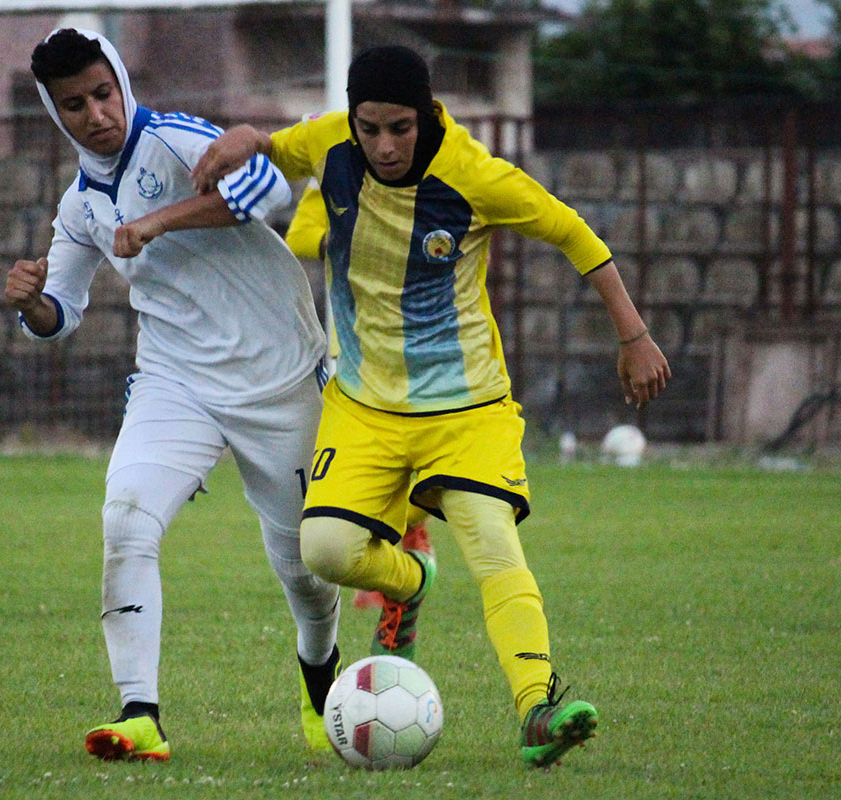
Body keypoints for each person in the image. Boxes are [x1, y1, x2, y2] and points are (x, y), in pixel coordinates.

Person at [127, 44, 672, 769]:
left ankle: (537, 706)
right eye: (369, 128)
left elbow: (574, 235)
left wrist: (632, 334)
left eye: (400, 128)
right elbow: (281, 149)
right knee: (323, 551)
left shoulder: (476, 176)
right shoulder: (332, 142)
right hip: (362, 407)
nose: (383, 144)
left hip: (465, 409)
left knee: (492, 542)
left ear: (428, 115)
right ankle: (411, 583)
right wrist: (245, 139)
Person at [4, 28, 342, 762]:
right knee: (125, 518)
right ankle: (140, 715)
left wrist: (157, 221)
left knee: (304, 569)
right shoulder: (77, 205)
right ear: (54, 114)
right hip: (174, 380)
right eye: (74, 104)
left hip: (278, 377)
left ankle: (322, 687)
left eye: (103, 92)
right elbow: (59, 315)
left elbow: (270, 191)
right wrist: (30, 302)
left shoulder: (179, 140)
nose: (95, 113)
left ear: (121, 81)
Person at [283, 184, 435, 611]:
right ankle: (396, 570)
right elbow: (299, 235)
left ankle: (409, 535)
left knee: (446, 481)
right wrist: (351, 240)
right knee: (337, 499)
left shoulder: (442, 165)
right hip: (356, 362)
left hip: (428, 357)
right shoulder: (336, 166)